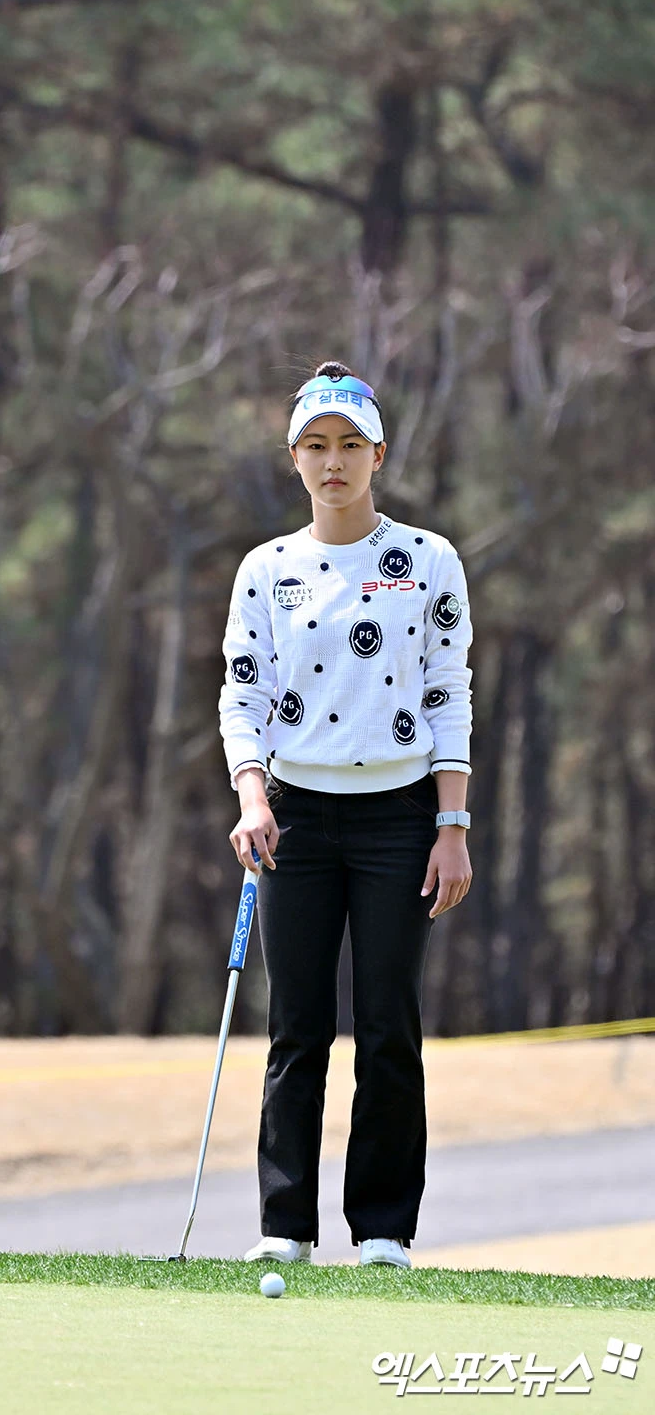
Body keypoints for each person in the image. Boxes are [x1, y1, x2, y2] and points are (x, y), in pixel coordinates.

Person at [217, 361, 473, 1270]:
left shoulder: (428, 560)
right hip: (294, 817)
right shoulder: (267, 569)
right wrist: (252, 797)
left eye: (351, 446)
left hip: (399, 818)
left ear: (379, 455)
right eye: (317, 446)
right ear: (294, 458)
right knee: (296, 1027)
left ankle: (383, 1230)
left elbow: (448, 692)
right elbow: (243, 694)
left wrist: (452, 827)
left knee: (389, 1024)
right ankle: (285, 1227)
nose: (334, 463)